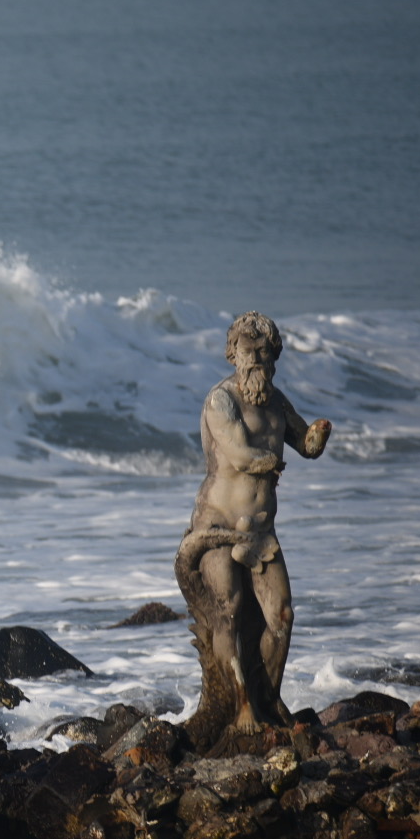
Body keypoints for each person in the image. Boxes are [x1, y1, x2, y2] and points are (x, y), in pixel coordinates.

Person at [179, 311, 331, 731]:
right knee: (227, 612)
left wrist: (317, 436)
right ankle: (241, 705)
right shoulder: (220, 400)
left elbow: (304, 444)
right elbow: (241, 454)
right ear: (233, 354)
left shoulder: (277, 402)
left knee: (281, 615)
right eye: (249, 350)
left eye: (266, 352)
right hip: (218, 529)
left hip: (262, 534)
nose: (258, 359)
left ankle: (269, 698)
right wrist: (268, 461)